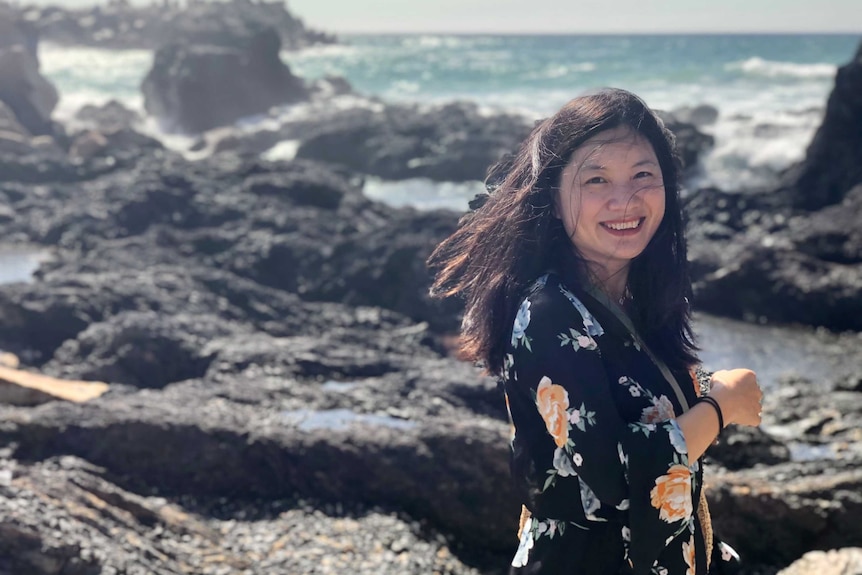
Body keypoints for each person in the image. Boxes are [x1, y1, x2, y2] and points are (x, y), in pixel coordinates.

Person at [427, 88, 763, 575]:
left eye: (643, 175)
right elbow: (617, 476)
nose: (623, 200)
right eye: (596, 179)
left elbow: (635, 403)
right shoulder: (549, 313)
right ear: (554, 198)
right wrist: (720, 406)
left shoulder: (637, 296)